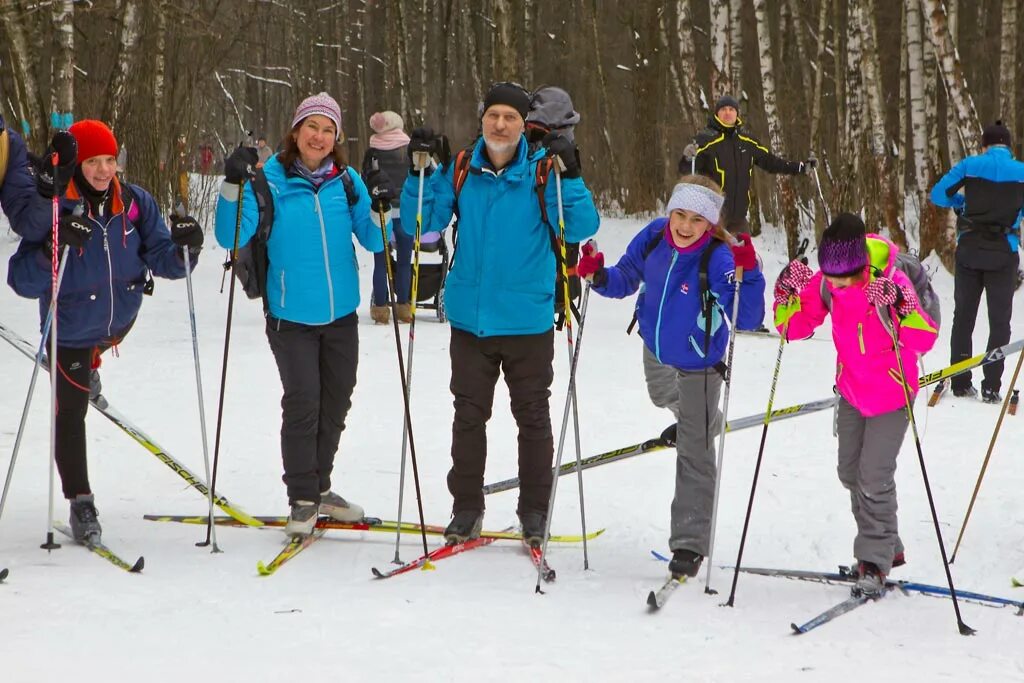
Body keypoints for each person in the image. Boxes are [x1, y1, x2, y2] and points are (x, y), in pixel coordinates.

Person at [400, 82, 599, 545]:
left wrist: (570, 175)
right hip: (471, 319)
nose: (501, 124)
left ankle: (534, 512)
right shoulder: (463, 168)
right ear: (483, 119)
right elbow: (422, 225)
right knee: (468, 417)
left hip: (527, 319)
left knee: (532, 418)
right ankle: (466, 509)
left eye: (510, 117)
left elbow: (583, 225)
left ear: (522, 123)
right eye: (493, 116)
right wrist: (417, 173)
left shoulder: (541, 169)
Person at [6, 119, 204, 542]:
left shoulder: (134, 203)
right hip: (70, 329)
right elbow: (21, 281)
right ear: (77, 163)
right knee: (71, 412)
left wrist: (189, 248)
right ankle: (81, 502)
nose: (102, 170)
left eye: (110, 160)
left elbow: (166, 260)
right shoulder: (56, 207)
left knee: (81, 377)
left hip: (117, 323)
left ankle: (87, 372)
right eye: (93, 161)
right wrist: (51, 250)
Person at [214, 92, 394, 536]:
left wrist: (381, 206)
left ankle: (321, 487)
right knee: (303, 403)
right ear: (296, 132)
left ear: (336, 138)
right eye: (312, 127)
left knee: (335, 403)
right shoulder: (267, 180)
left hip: (340, 316)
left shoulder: (347, 180)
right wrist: (232, 185)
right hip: (290, 316)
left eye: (328, 129)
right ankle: (302, 498)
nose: (319, 136)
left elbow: (373, 241)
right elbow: (228, 234)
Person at [576, 176, 765, 578]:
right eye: (679, 214)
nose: (684, 225)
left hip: (699, 362)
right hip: (657, 349)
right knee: (660, 394)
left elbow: (747, 319)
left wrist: (747, 274)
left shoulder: (717, 257)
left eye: (696, 219)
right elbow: (626, 277)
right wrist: (598, 275)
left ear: (711, 223)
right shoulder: (654, 236)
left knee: (694, 454)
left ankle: (689, 544)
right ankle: (701, 420)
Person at [772, 213, 938, 594]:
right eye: (829, 277)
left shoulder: (890, 282)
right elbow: (792, 327)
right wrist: (785, 296)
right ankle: (887, 546)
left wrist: (903, 304)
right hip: (851, 392)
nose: (836, 284)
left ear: (862, 264)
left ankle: (874, 561)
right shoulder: (828, 282)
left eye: (843, 277)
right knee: (850, 473)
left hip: (893, 395)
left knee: (874, 479)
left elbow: (923, 340)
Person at [929, 120, 1024, 403]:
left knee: (964, 317)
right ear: (1008, 147)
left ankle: (960, 380)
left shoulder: (970, 165)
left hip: (969, 250)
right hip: (1003, 252)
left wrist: (960, 204)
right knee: (1000, 322)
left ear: (984, 146)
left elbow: (938, 194)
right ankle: (992, 385)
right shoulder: (1021, 172)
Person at [678, 95, 813, 233]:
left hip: (739, 219)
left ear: (737, 113)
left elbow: (772, 162)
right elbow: (687, 171)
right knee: (717, 254)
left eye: (731, 109)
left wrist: (800, 167)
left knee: (744, 254)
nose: (727, 112)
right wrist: (687, 158)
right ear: (717, 113)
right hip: (712, 218)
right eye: (723, 109)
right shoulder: (705, 139)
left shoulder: (747, 141)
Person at [362, 111, 413, 325]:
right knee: (404, 263)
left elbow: (365, 179)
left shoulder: (373, 152)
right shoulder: (408, 149)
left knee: (380, 263)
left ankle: (381, 309)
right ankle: (403, 307)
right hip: (405, 212)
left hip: (382, 212)